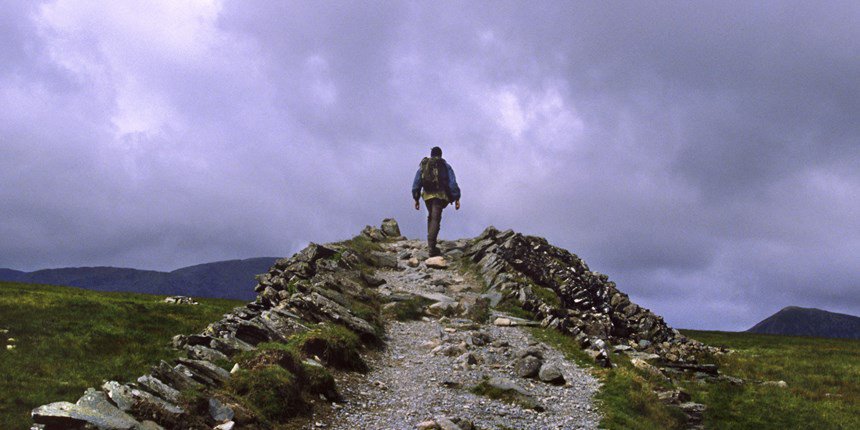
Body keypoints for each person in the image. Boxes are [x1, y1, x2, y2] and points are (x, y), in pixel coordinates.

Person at [412, 146, 461, 257]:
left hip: (427, 196)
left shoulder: (424, 165)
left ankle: (431, 245)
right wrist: (457, 198)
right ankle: (431, 248)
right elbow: (452, 183)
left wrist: (416, 198)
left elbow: (416, 183)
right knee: (435, 219)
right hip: (440, 196)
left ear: (431, 154)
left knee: (431, 216)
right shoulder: (445, 166)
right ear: (441, 154)